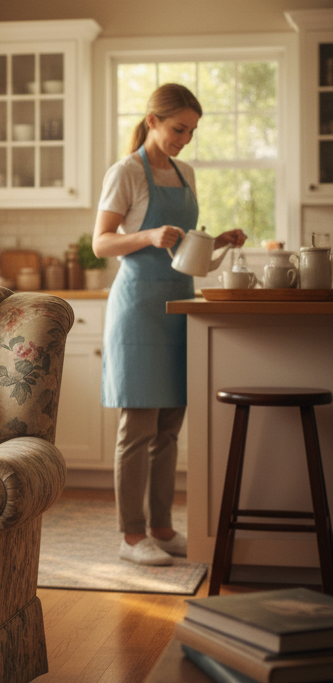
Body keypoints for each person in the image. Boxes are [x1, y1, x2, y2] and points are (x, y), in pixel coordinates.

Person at [92, 84, 247, 567]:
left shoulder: (186, 173)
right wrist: (147, 235)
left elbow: (185, 254)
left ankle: (161, 527)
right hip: (138, 309)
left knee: (169, 427)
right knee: (137, 426)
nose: (185, 139)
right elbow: (101, 243)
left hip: (180, 306)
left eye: (192, 131)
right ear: (153, 120)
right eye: (179, 128)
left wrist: (217, 241)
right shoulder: (125, 172)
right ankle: (131, 535)